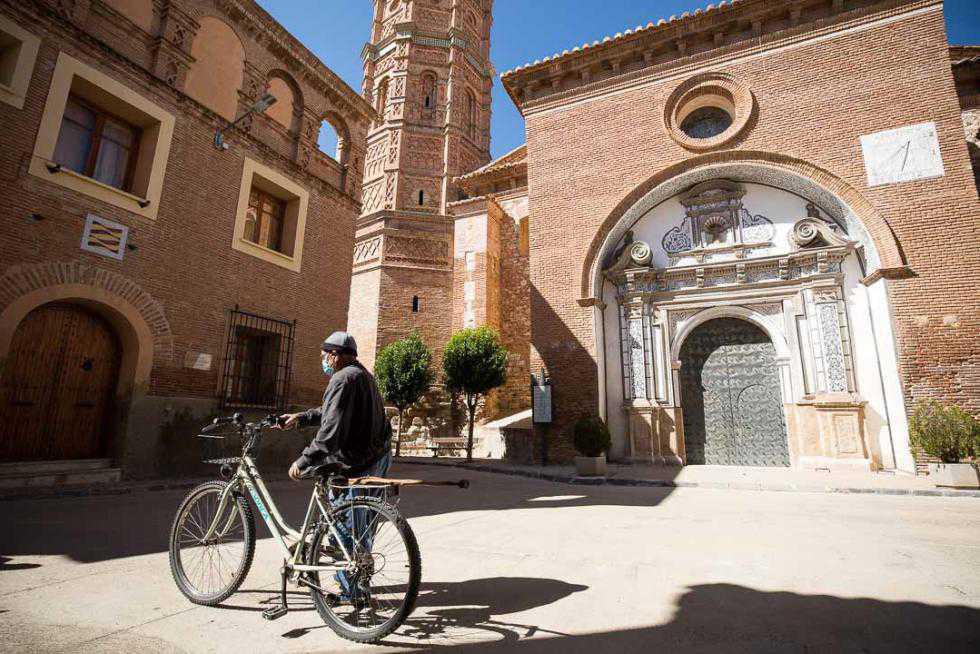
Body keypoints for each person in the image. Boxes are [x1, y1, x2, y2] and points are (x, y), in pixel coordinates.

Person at [277, 330, 391, 605]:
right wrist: (302, 418)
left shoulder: (342, 378)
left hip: (358, 462)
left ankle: (350, 591)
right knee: (362, 528)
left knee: (346, 526)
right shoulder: (361, 374)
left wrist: (304, 459)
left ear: (334, 355)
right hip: (378, 456)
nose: (323, 362)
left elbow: (330, 431)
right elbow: (334, 411)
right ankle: (359, 582)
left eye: (324, 356)